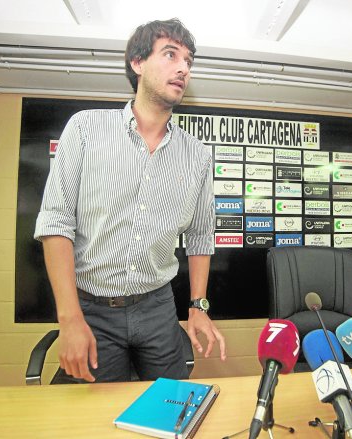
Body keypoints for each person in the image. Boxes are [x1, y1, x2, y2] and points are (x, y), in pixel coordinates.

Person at [34, 18, 226, 383]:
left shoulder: (197, 155)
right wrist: (70, 318)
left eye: (188, 60)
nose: (183, 67)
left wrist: (198, 306)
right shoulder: (85, 129)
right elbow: (56, 224)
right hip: (92, 308)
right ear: (137, 63)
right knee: (93, 419)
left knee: (171, 409)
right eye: (170, 54)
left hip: (158, 308)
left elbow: (201, 236)